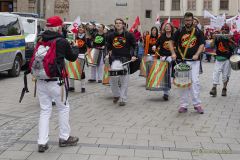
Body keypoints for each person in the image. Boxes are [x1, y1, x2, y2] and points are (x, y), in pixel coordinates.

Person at [32, 16, 79, 152]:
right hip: (56, 82)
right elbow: (72, 57)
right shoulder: (61, 41)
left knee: (45, 110)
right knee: (63, 108)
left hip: (41, 80)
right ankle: (64, 138)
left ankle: (42, 142)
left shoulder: (40, 39)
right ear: (58, 27)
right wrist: (75, 48)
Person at [169, 12, 205, 114]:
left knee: (195, 82)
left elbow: (201, 45)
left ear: (193, 20)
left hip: (194, 62)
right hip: (182, 61)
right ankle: (183, 105)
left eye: (189, 20)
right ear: (184, 20)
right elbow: (171, 42)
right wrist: (173, 53)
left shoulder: (198, 31)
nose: (188, 22)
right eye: (186, 20)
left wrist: (197, 54)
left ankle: (197, 104)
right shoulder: (179, 30)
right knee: (183, 83)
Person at [107, 18, 137, 106]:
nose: (118, 24)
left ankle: (123, 99)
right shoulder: (111, 35)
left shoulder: (129, 35)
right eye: (116, 23)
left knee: (124, 81)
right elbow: (108, 46)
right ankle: (116, 95)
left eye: (120, 23)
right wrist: (108, 52)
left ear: (123, 24)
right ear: (115, 25)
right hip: (114, 60)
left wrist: (134, 55)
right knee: (113, 80)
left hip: (125, 60)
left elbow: (135, 45)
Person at [209, 25, 236, 97]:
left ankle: (224, 88)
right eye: (223, 29)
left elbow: (235, 46)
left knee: (225, 75)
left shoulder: (231, 36)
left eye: (226, 29)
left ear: (228, 30)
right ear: (221, 30)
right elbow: (211, 46)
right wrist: (214, 39)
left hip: (227, 59)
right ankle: (214, 88)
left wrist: (230, 40)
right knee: (216, 73)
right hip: (218, 58)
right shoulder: (218, 37)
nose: (224, 30)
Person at [155, 23, 175, 101]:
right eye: (166, 27)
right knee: (163, 75)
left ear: (171, 28)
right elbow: (156, 44)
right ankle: (165, 93)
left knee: (168, 74)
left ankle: (166, 91)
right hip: (163, 57)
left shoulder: (174, 36)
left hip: (171, 57)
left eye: (169, 26)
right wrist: (154, 47)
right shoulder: (162, 37)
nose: (167, 28)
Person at [68, 24, 90, 92]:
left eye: (82, 27)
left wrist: (87, 52)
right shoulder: (74, 36)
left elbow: (89, 47)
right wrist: (70, 41)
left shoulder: (87, 37)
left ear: (84, 29)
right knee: (71, 70)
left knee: (81, 71)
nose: (80, 28)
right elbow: (70, 44)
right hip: (74, 54)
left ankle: (82, 87)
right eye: (79, 27)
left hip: (82, 55)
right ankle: (71, 86)